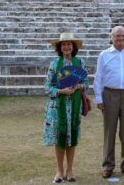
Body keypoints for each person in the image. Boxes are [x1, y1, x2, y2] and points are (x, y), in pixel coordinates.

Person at [94, 25, 124, 178]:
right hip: (109, 94)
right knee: (109, 131)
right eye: (117, 36)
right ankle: (108, 166)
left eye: (123, 36)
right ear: (112, 37)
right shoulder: (104, 55)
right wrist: (99, 98)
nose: (120, 39)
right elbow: (98, 77)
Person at [42, 32, 89, 183]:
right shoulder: (54, 64)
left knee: (72, 136)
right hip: (57, 108)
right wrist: (61, 91)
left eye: (69, 44)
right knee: (59, 137)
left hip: (74, 107)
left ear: (73, 47)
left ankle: (70, 169)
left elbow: (86, 84)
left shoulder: (80, 63)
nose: (66, 46)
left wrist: (79, 86)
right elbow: (47, 88)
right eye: (64, 44)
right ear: (60, 48)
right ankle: (59, 170)